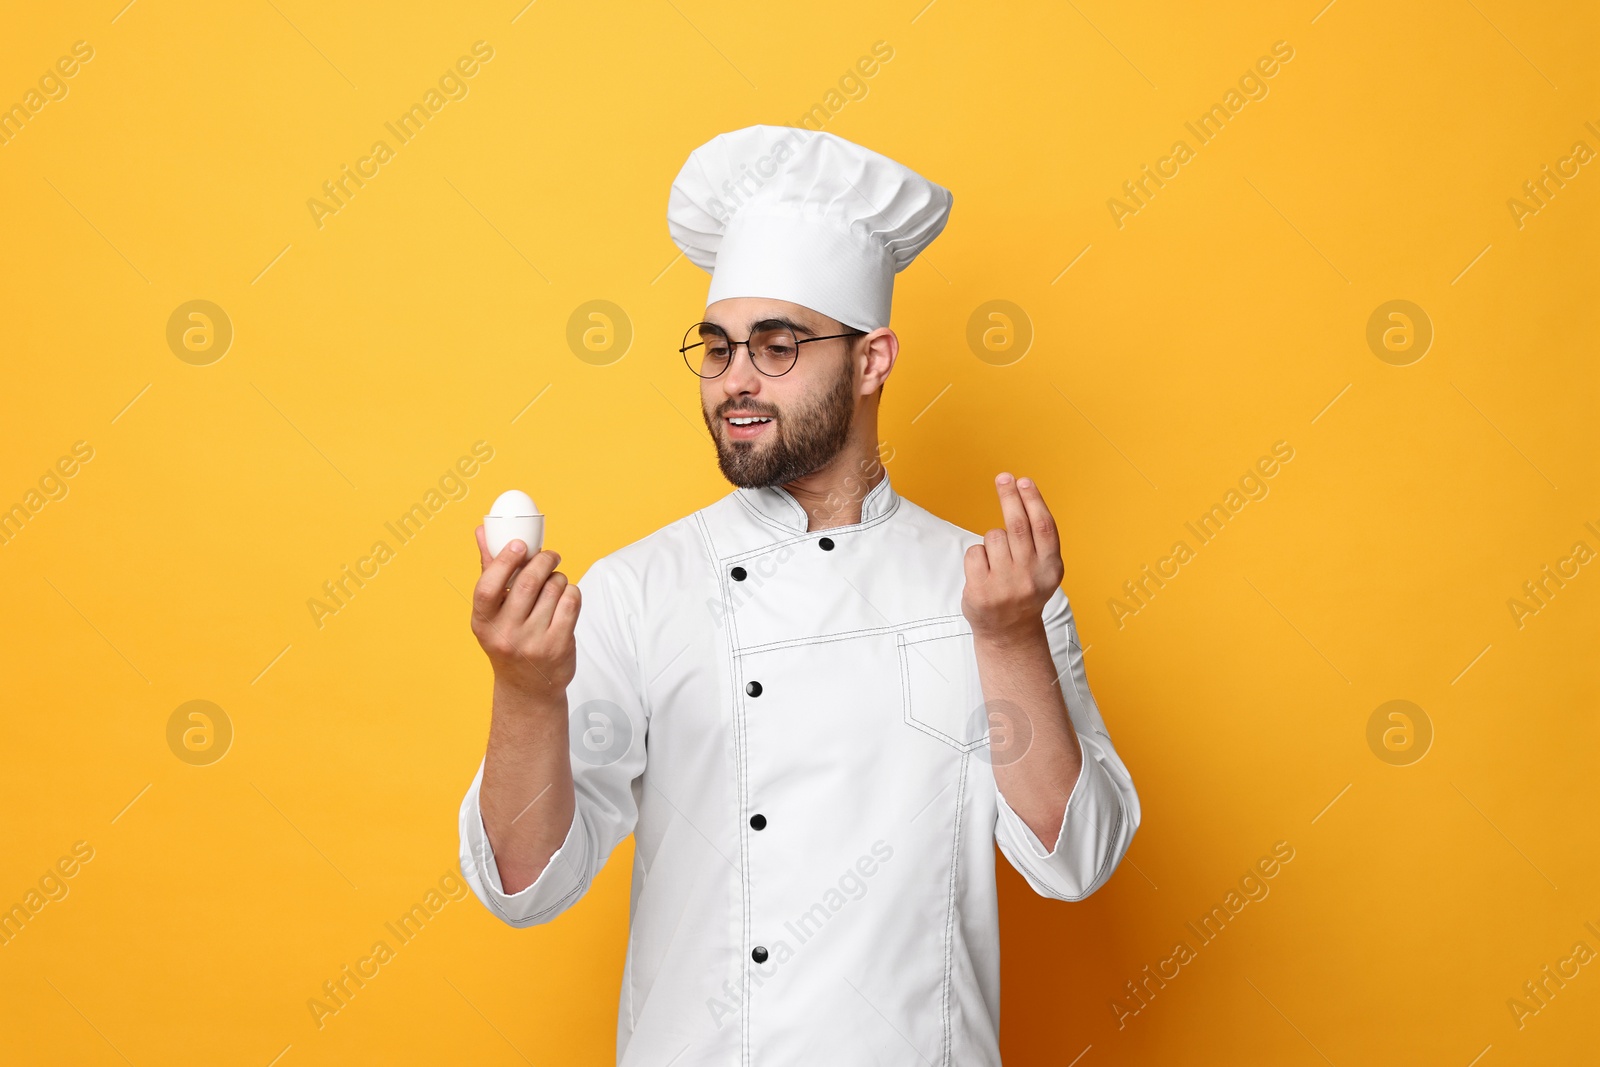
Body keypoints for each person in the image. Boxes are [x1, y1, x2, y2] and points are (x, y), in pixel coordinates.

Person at [457, 124, 1140, 1066]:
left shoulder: (992, 590)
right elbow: (524, 883)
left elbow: (1077, 862)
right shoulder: (638, 589)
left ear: (872, 361)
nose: (735, 381)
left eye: (777, 348)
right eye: (718, 347)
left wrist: (1012, 643)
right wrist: (526, 691)